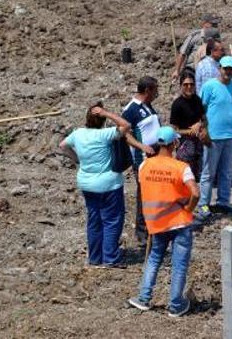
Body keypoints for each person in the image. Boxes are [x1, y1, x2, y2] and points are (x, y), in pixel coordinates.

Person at [59, 102, 143, 268]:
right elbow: (126, 125)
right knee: (112, 220)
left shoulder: (78, 134)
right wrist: (107, 112)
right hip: (108, 184)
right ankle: (110, 257)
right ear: (102, 120)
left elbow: (62, 146)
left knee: (94, 219)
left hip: (86, 183)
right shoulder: (105, 134)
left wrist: (77, 159)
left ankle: (95, 257)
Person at [127, 126, 199, 317]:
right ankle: (175, 305)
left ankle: (144, 298)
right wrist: (189, 209)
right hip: (179, 222)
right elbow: (195, 192)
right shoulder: (181, 167)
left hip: (157, 223)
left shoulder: (144, 166)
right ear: (174, 143)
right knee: (179, 264)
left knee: (154, 258)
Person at [196, 56, 232, 221]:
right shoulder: (210, 86)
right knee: (209, 171)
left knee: (227, 171)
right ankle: (203, 203)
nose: (228, 72)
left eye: (231, 69)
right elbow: (200, 109)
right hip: (213, 136)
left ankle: (223, 201)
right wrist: (204, 129)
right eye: (225, 69)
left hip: (230, 135)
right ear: (219, 68)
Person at [122, 76, 161, 246]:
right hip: (143, 158)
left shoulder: (147, 106)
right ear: (147, 91)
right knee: (144, 194)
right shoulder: (130, 110)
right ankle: (141, 230)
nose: (157, 94)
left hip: (156, 155)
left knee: (155, 192)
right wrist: (141, 146)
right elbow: (125, 134)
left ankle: (153, 224)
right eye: (155, 90)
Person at [170, 69, 208, 179]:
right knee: (186, 178)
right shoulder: (177, 104)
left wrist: (199, 125)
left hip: (199, 144)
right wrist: (189, 131)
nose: (189, 87)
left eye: (191, 84)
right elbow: (174, 130)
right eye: (185, 84)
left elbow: (205, 119)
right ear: (181, 86)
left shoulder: (197, 100)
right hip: (185, 147)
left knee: (200, 177)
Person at [171, 14, 221, 83]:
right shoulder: (196, 36)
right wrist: (177, 70)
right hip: (192, 70)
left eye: (216, 24)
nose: (215, 26)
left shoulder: (216, 38)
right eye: (213, 24)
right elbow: (183, 53)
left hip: (208, 72)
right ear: (204, 24)